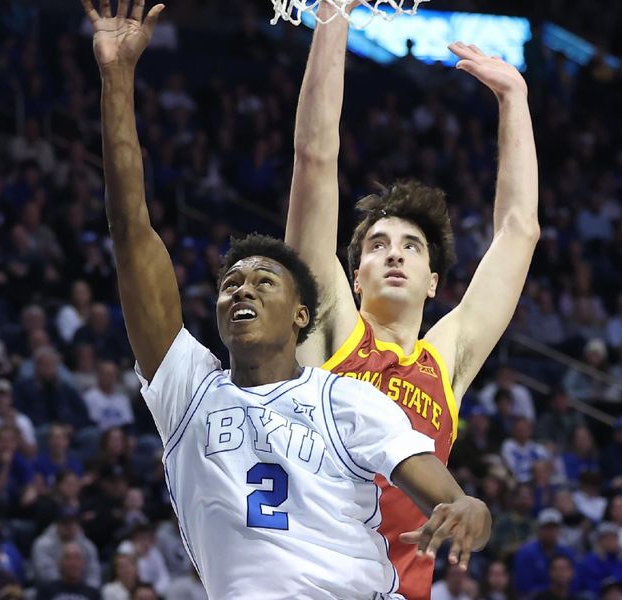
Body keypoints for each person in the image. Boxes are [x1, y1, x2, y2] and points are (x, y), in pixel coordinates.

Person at [82, 1, 490, 598]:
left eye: (263, 281)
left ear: (303, 314)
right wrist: (117, 78)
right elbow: (130, 230)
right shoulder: (187, 389)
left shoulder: (346, 399)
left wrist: (468, 506)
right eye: (230, 283)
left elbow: (445, 492)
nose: (241, 288)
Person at [283, 1, 538, 597]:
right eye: (377, 245)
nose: (394, 254)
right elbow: (315, 160)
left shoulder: (443, 362)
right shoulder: (333, 331)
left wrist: (515, 100)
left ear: (432, 281)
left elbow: (519, 230)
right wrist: (333, 18)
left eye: (411, 247)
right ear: (354, 276)